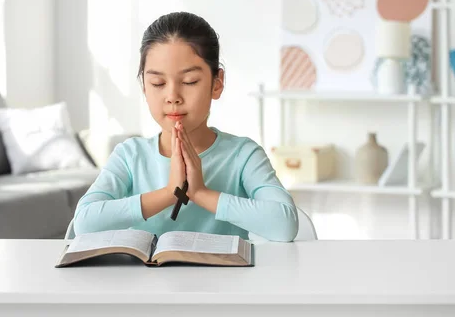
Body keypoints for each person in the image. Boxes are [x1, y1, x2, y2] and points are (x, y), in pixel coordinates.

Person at [73, 12, 298, 242]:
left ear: (217, 84)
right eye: (158, 83)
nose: (172, 96)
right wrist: (169, 193)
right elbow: (84, 223)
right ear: (144, 86)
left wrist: (200, 193)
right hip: (147, 279)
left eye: (189, 82)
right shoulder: (130, 156)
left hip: (225, 278)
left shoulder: (243, 155)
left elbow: (284, 226)